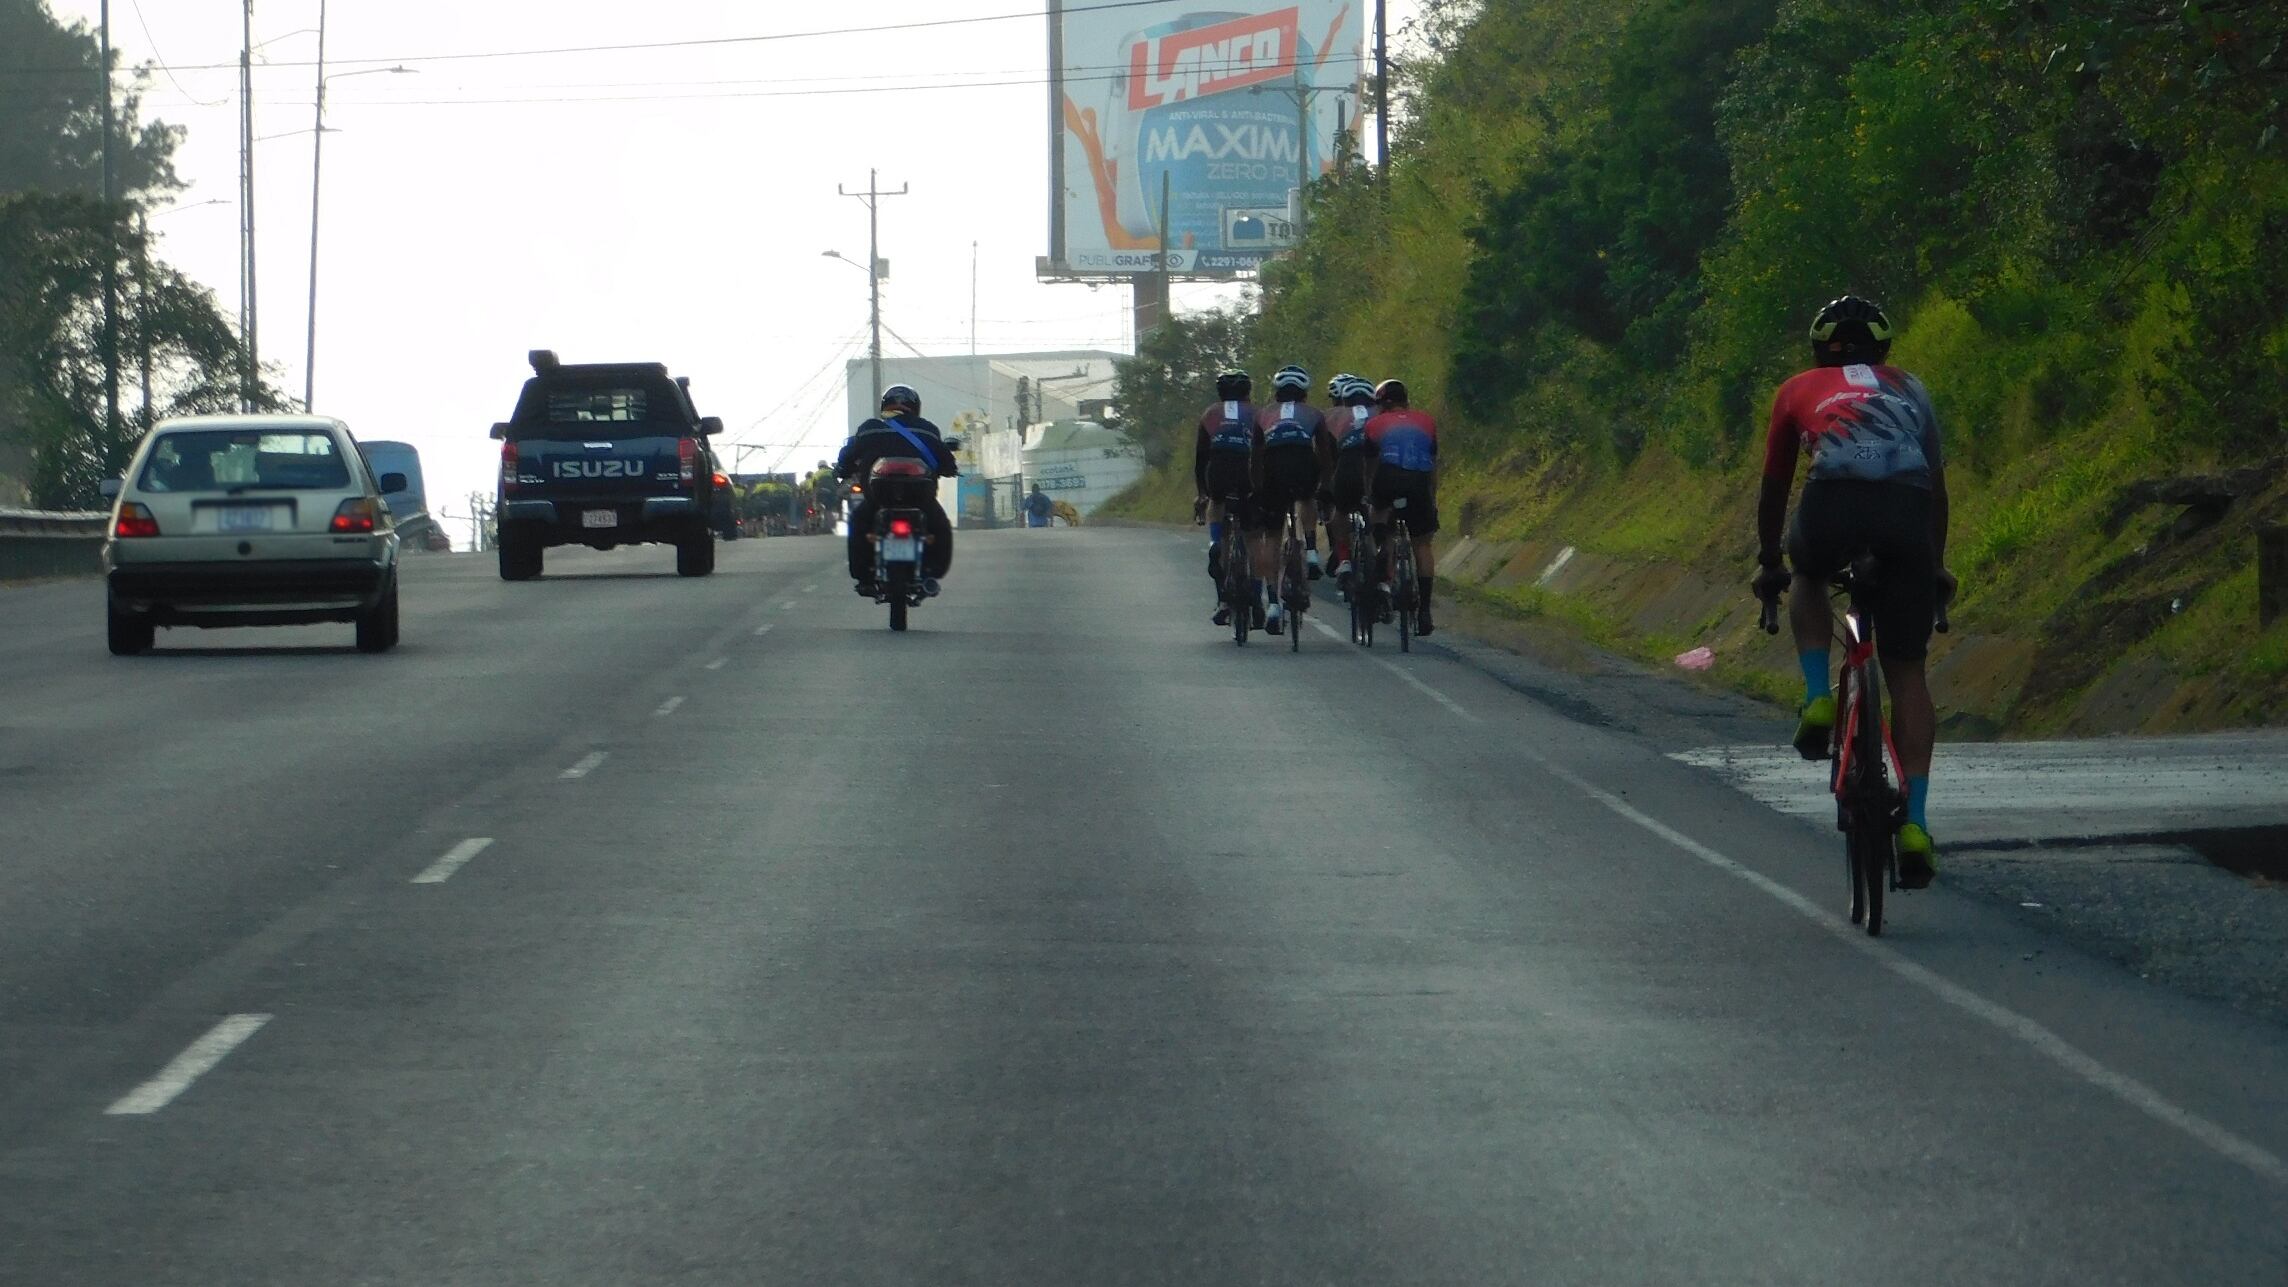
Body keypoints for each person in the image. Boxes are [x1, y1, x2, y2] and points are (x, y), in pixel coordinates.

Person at [1753, 295, 1954, 888]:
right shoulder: (1912, 388)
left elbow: (1775, 485)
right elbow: (1936, 488)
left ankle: (1818, 697)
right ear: (1885, 349)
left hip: (1833, 502)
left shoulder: (1797, 388)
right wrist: (1934, 564)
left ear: (1819, 349)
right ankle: (1915, 823)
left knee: (1809, 574)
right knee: (1909, 672)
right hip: (1906, 512)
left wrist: (1771, 562)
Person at [837, 384, 957, 594]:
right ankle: (932, 573)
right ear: (915, 407)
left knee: (858, 523)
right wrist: (949, 469)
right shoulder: (927, 429)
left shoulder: (870, 429)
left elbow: (847, 457)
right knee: (940, 527)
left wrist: (842, 469)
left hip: (878, 497)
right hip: (920, 498)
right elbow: (947, 462)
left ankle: (864, 577)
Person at [1251, 364, 1334, 636]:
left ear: (1276, 393)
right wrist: (1324, 486)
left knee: (1272, 536)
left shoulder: (1263, 414)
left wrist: (1259, 489)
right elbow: (1324, 453)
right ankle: (1310, 551)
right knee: (1306, 498)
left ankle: (1273, 604)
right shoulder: (1314, 414)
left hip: (1273, 466)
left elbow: (1257, 456)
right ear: (1304, 394)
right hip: (1302, 463)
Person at [1361, 377, 1441, 637]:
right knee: (1423, 544)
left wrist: (1370, 494)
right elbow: (1432, 463)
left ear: (1381, 404)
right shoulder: (1427, 422)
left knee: (1381, 517)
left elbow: (1370, 467)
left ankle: (1384, 550)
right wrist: (1431, 496)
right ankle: (1425, 610)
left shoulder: (1373, 425)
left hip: (1388, 479)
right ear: (1406, 401)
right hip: (1419, 483)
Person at [1193, 369, 1263, 628]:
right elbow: (1262, 452)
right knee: (1254, 537)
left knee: (1217, 503)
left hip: (1218, 470)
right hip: (1247, 470)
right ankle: (1256, 600)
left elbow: (1201, 460)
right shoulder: (1256, 412)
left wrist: (1202, 492)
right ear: (1248, 392)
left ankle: (1215, 543)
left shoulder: (1209, 413)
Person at [1323, 375, 1376, 587]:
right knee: (1379, 513)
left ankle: (1344, 559)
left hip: (1346, 469)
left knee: (1340, 512)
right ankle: (1382, 562)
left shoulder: (1334, 416)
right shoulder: (1380, 415)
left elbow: (1325, 452)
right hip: (1374, 469)